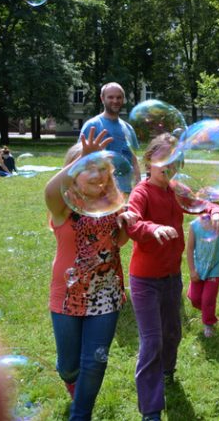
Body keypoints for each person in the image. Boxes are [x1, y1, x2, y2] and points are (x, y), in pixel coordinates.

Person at [125, 133, 219, 421]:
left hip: (171, 277)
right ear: (149, 160)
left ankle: (167, 371)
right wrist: (151, 229)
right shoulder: (141, 192)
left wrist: (216, 211)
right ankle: (151, 409)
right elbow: (132, 222)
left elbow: (202, 203)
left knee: (172, 334)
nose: (167, 166)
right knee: (152, 341)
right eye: (162, 159)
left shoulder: (174, 189)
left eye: (173, 160)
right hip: (144, 280)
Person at [44, 129, 133, 420]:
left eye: (102, 169)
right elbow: (49, 190)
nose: (99, 176)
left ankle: (80, 414)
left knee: (94, 362)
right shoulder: (63, 207)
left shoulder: (113, 204)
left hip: (106, 293)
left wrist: (125, 224)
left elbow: (119, 242)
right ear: (73, 174)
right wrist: (81, 156)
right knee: (70, 365)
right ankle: (72, 381)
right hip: (67, 295)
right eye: (88, 168)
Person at [80, 82, 140, 190]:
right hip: (100, 191)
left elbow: (134, 160)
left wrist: (138, 185)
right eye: (110, 97)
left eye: (119, 97)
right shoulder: (92, 126)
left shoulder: (128, 129)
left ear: (123, 99)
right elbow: (79, 159)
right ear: (102, 99)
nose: (115, 101)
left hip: (126, 191)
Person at [185, 214, 219, 338]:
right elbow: (189, 249)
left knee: (208, 300)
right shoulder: (194, 226)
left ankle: (208, 323)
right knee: (195, 299)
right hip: (198, 269)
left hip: (215, 269)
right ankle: (206, 309)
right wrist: (192, 270)